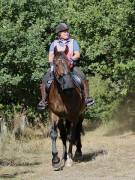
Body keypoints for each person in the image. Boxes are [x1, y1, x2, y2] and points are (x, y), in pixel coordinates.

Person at [37, 23, 94, 110]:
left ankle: (87, 98)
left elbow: (77, 54)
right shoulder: (54, 43)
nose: (67, 33)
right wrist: (53, 64)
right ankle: (43, 100)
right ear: (59, 34)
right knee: (45, 79)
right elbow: (50, 56)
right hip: (57, 67)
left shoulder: (73, 42)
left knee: (82, 77)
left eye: (67, 31)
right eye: (64, 32)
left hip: (70, 66)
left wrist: (70, 60)